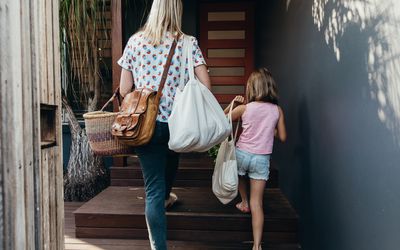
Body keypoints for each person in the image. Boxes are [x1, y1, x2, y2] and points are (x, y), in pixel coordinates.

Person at [117, 0, 211, 249]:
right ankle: (166, 198)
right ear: (176, 11)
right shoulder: (188, 43)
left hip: (145, 125)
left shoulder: (135, 42)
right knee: (170, 162)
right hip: (177, 124)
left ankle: (159, 243)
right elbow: (206, 86)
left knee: (154, 189)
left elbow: (125, 88)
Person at [224, 68, 287, 250]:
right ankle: (257, 245)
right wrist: (268, 128)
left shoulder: (245, 108)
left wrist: (232, 105)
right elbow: (282, 136)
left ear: (251, 88)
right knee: (257, 203)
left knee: (240, 174)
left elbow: (222, 120)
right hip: (261, 159)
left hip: (242, 153)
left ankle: (243, 202)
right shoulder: (277, 110)